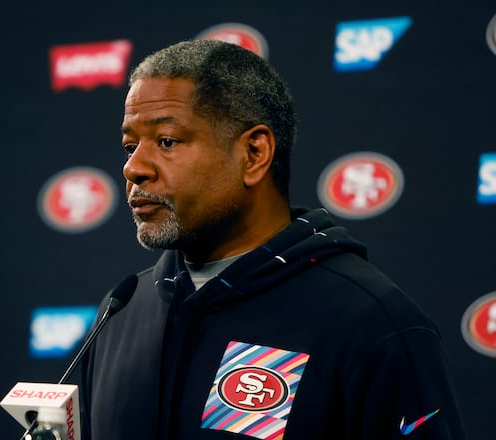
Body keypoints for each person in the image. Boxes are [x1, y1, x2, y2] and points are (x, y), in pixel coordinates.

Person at [80, 39, 465, 440]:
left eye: (166, 141)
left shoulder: (372, 322)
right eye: (130, 146)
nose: (133, 168)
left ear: (254, 153)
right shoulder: (121, 311)